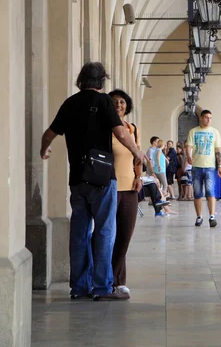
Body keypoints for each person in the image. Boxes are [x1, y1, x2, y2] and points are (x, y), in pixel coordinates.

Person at [40, 62, 144, 301]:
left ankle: (78, 286)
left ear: (81, 80)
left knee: (79, 232)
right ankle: (102, 287)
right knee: (105, 231)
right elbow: (120, 132)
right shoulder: (103, 101)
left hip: (77, 177)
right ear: (101, 82)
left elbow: (49, 133)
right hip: (102, 177)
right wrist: (137, 151)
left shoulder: (70, 103)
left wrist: (43, 150)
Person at [109, 89, 142, 295]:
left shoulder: (133, 128)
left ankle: (118, 279)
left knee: (125, 234)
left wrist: (139, 177)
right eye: (114, 102)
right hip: (109, 186)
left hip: (130, 188)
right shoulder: (105, 127)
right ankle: (106, 277)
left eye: (122, 102)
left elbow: (137, 156)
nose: (119, 105)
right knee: (107, 235)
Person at [186, 110, 221, 227]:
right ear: (201, 118)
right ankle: (199, 216)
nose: (209, 120)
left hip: (210, 167)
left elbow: (218, 150)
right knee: (197, 193)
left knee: (210, 191)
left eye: (210, 118)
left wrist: (220, 165)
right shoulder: (193, 131)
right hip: (196, 166)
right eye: (206, 118)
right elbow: (189, 146)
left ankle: (212, 216)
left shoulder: (215, 132)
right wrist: (188, 156)